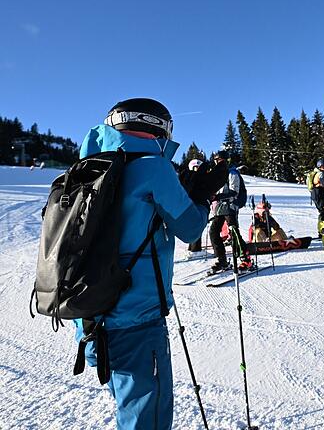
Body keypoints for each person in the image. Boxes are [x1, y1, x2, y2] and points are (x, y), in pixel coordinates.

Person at [76, 98, 225, 429]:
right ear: (160, 128)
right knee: (147, 419)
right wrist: (201, 197)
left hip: (89, 317)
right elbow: (189, 229)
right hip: (137, 320)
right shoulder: (153, 168)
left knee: (129, 408)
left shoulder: (89, 168)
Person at [209, 150, 253, 273]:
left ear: (226, 161)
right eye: (217, 161)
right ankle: (222, 260)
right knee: (213, 232)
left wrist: (217, 197)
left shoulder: (232, 173)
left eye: (221, 161)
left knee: (233, 233)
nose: (218, 163)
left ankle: (246, 259)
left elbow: (234, 192)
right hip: (219, 208)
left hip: (230, 206)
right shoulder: (217, 174)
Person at [184, 158, 206, 259]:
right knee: (197, 226)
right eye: (195, 167)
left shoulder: (187, 176)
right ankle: (195, 250)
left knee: (194, 226)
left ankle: (192, 248)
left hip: (190, 204)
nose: (197, 169)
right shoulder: (196, 178)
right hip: (196, 204)